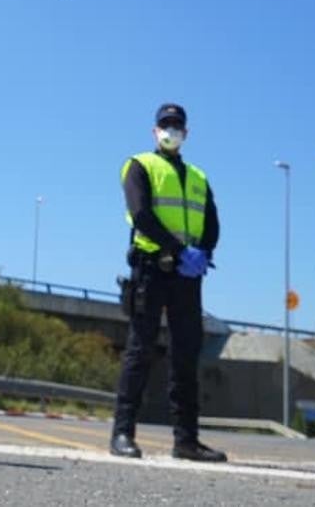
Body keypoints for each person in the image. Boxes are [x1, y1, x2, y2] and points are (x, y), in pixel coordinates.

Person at [110, 103, 225, 462]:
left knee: (185, 355)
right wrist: (178, 250)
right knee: (140, 349)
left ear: (186, 134)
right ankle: (123, 433)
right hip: (152, 268)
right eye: (165, 125)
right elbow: (140, 214)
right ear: (154, 131)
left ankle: (186, 441)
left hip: (188, 276)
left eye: (177, 125)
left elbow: (212, 223)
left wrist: (203, 253)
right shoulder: (139, 165)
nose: (170, 130)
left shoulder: (198, 177)